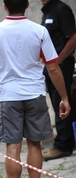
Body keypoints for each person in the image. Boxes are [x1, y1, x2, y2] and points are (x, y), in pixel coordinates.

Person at [0, 0, 71, 178]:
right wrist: (64, 97)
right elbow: (52, 67)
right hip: (34, 93)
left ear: (4, 6)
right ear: (28, 5)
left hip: (8, 95)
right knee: (35, 144)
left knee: (12, 147)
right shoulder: (39, 30)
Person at [41, 0, 76, 161]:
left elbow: (73, 38)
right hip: (50, 66)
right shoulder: (47, 10)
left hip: (60, 66)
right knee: (56, 104)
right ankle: (64, 139)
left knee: (62, 101)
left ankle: (63, 146)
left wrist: (59, 60)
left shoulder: (61, 9)